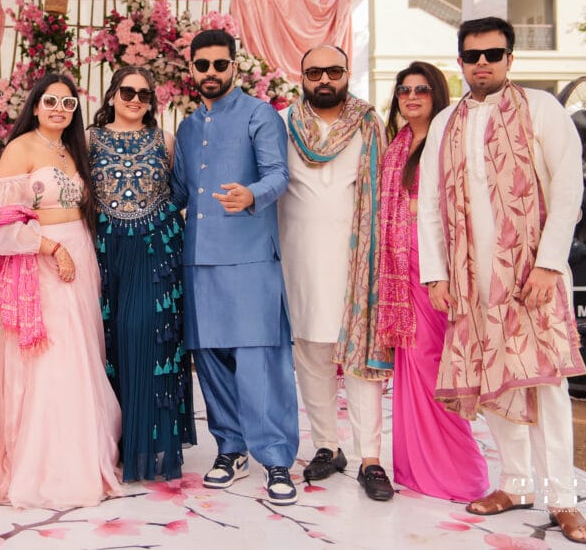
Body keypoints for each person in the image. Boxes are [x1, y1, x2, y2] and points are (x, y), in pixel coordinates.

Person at [419, 17, 586, 544]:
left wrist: (548, 264)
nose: (482, 63)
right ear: (460, 61)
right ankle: (516, 483)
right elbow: (429, 203)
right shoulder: (447, 121)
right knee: (489, 379)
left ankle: (562, 496)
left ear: (510, 59)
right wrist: (435, 274)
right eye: (473, 55)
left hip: (531, 277)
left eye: (493, 54)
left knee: (546, 385)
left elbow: (567, 191)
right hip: (470, 281)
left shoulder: (542, 109)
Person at [0, 72, 123, 508]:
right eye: (50, 101)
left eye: (68, 103)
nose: (59, 109)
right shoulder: (19, 149)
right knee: (54, 358)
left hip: (81, 255)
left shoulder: (71, 151)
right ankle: (49, 466)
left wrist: (74, 250)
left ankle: (87, 455)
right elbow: (2, 227)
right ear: (35, 105)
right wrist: (49, 247)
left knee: (83, 351)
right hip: (42, 262)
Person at [170, 29, 299, 505]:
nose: (209, 74)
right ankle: (231, 448)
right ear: (192, 70)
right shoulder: (186, 128)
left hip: (248, 257)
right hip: (198, 259)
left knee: (257, 359)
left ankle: (277, 456)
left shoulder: (259, 115)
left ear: (234, 67)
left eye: (218, 65)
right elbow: (180, 193)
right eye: (201, 66)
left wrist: (253, 195)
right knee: (211, 359)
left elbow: (278, 175)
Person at [279, 44, 393, 501]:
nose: (324, 79)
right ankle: (327, 445)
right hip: (298, 256)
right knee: (311, 353)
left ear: (347, 73)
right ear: (301, 75)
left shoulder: (368, 123)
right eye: (314, 72)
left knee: (362, 361)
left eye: (333, 71)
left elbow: (385, 189)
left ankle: (371, 457)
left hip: (358, 259)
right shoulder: (284, 123)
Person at [376, 62, 488, 501]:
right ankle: (415, 468)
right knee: (411, 365)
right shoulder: (396, 146)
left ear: (437, 93)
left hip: (433, 268)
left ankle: (457, 473)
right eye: (404, 90)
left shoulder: (448, 142)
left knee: (435, 363)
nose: (411, 96)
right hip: (398, 272)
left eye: (421, 89)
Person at [87, 66, 196, 482]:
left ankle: (150, 444)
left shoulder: (165, 140)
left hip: (156, 249)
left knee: (147, 334)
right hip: (107, 249)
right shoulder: (89, 139)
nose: (135, 99)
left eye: (144, 94)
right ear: (112, 95)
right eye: (127, 91)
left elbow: (183, 191)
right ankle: (114, 443)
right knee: (110, 340)